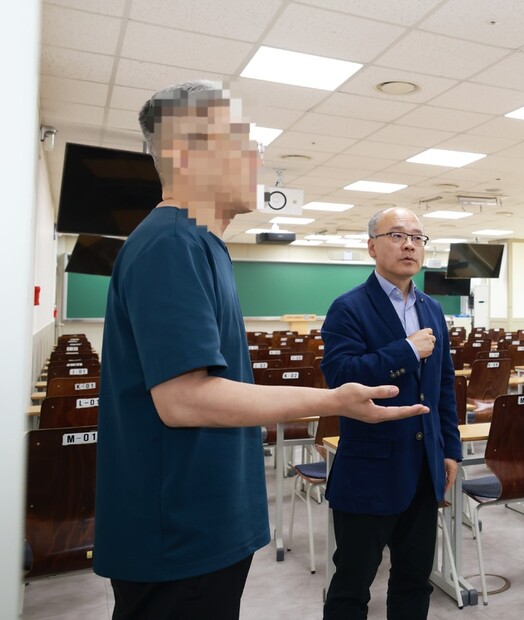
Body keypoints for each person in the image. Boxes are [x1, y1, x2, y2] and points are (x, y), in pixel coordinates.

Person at [93, 81, 427, 620]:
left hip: (205, 524)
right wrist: (333, 400)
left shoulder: (200, 243)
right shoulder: (171, 245)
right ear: (187, 153)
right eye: (243, 142)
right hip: (179, 534)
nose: (258, 157)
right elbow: (184, 400)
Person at [321, 207, 462, 619]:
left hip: (423, 470)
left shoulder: (432, 309)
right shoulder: (348, 308)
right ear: (371, 247)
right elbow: (340, 377)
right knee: (351, 586)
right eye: (397, 235)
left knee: (414, 582)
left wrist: (449, 449)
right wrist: (405, 351)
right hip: (370, 471)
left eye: (418, 237)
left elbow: (444, 386)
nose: (409, 245)